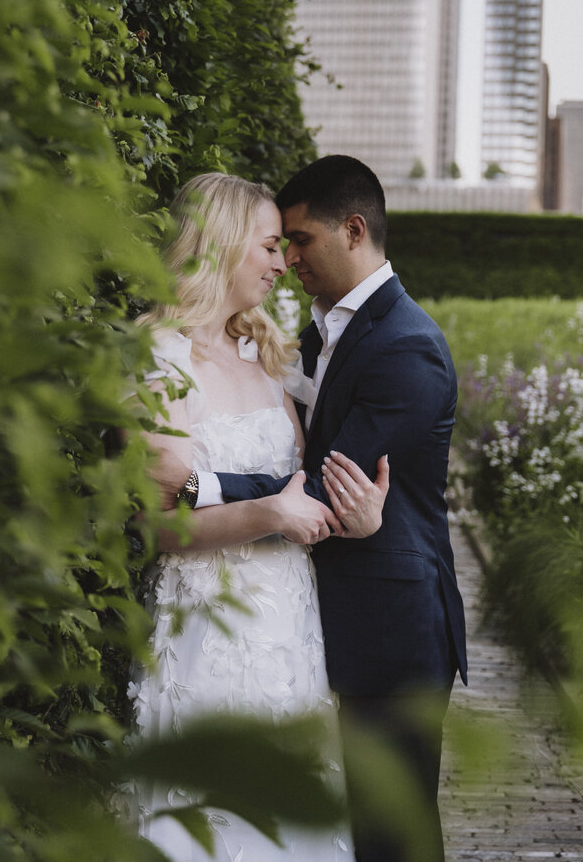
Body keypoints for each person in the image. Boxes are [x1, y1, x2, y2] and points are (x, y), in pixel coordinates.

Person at [156, 156, 467, 862]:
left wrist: (200, 484)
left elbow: (324, 484)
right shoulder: (316, 334)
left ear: (354, 230)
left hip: (388, 628)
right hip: (295, 618)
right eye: (277, 244)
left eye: (300, 241)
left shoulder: (407, 348)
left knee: (392, 834)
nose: (289, 259)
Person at [130, 172, 388, 861]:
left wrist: (356, 517)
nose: (284, 264)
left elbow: (305, 486)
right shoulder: (159, 358)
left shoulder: (271, 355)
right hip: (206, 623)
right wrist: (268, 511)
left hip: (287, 624)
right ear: (218, 245)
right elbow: (158, 526)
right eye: (270, 246)